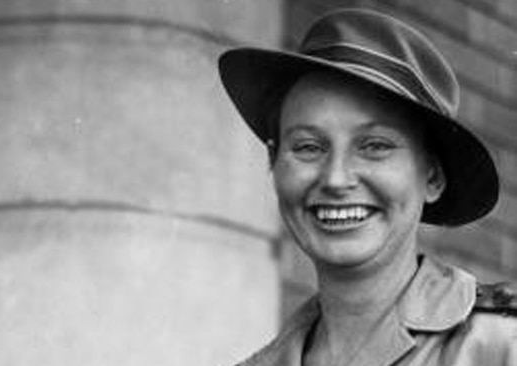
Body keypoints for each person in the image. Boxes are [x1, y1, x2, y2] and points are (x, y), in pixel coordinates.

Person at [218, 8, 516, 366]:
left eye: (375, 146)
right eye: (308, 147)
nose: (336, 179)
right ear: (273, 161)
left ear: (432, 176)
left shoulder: (501, 345)